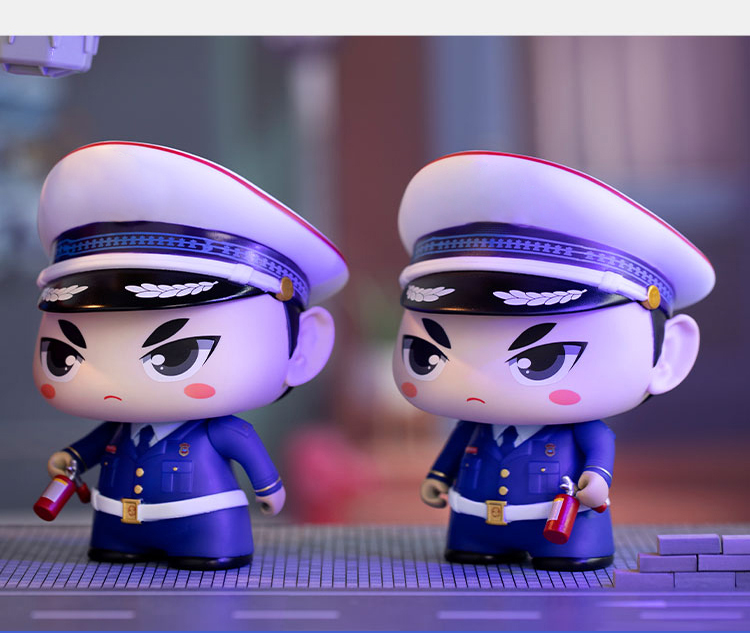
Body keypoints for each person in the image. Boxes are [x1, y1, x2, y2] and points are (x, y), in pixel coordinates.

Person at [392, 151, 714, 571]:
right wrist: (438, 477)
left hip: (562, 525)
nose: (479, 381)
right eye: (427, 355)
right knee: (471, 553)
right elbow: (456, 447)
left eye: (543, 360)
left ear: (668, 355)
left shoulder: (583, 429)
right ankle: (479, 544)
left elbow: (598, 452)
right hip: (473, 519)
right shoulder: (472, 424)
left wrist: (596, 480)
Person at [33, 141, 348, 570]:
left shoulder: (222, 431)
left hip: (203, 522)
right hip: (115, 519)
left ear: (303, 347)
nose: (115, 382)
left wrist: (269, 490)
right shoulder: (117, 428)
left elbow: (250, 454)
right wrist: (71, 459)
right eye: (65, 356)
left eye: (176, 356)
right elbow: (92, 446)